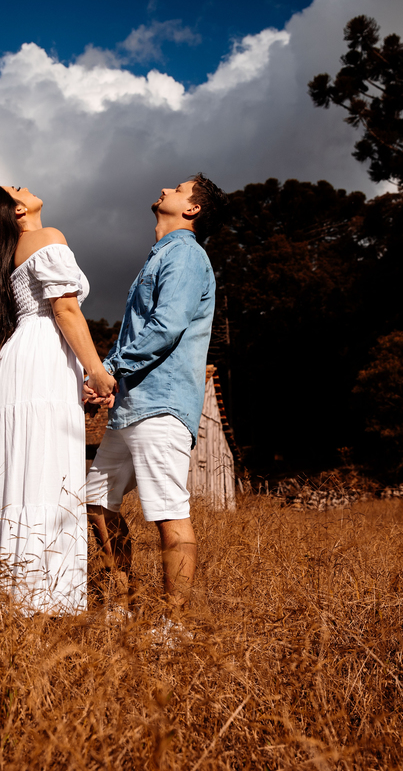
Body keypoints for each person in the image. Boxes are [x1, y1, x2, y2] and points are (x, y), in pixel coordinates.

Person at [0, 185, 116, 615]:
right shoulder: (47, 237)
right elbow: (66, 310)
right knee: (47, 470)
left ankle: (14, 594)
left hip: (19, 360)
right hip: (43, 355)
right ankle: (48, 600)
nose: (24, 186)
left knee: (20, 473)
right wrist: (97, 371)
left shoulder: (12, 253)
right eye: (16, 188)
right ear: (15, 208)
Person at [83, 173, 229, 614]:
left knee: (169, 512)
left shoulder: (186, 254)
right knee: (94, 501)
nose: (165, 189)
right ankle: (122, 607)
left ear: (192, 208)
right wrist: (110, 384)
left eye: (178, 189)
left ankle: (174, 628)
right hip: (132, 407)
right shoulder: (163, 255)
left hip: (161, 407)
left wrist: (109, 369)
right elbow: (139, 331)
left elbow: (165, 328)